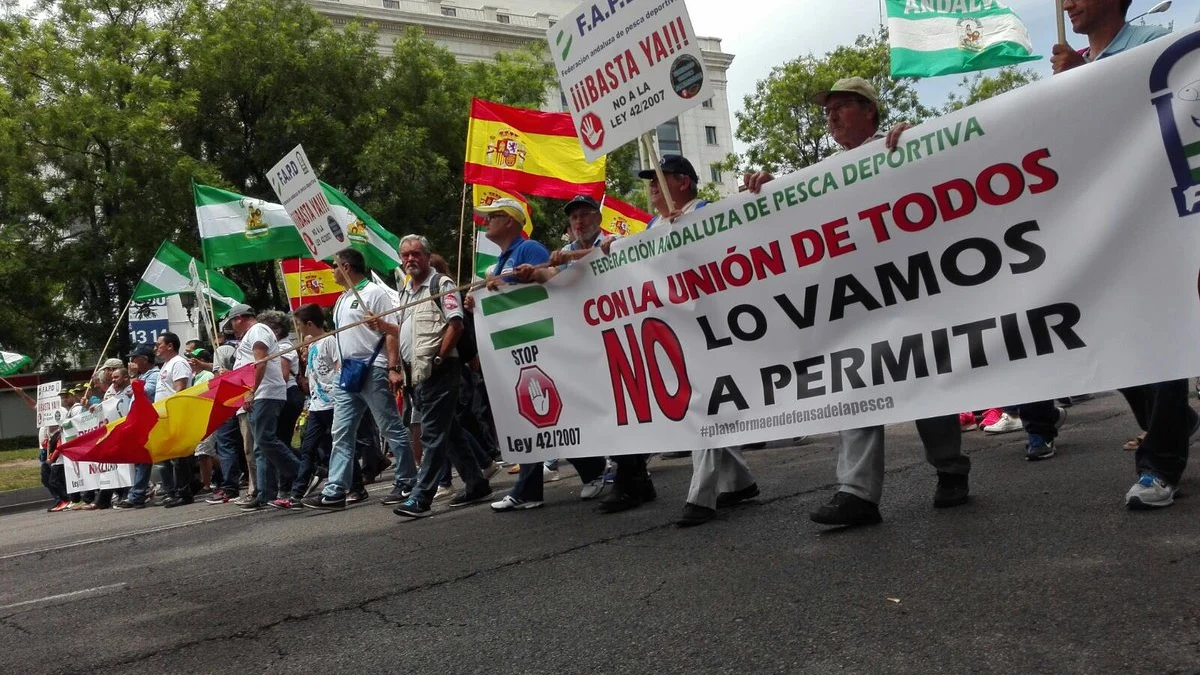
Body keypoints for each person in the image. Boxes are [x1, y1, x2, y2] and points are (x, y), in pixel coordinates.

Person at [745, 77, 970, 527]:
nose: (832, 115)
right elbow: (796, 219)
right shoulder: (825, 174)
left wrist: (914, 140)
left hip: (906, 291)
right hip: (855, 303)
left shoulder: (896, 148)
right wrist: (770, 189)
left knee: (924, 384)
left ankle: (950, 469)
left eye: (843, 105)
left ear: (870, 111)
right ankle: (858, 493)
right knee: (856, 387)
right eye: (829, 109)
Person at [1051, 0, 1197, 508]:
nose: (1068, 4)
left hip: (1158, 214)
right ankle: (1176, 422)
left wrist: (1089, 77)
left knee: (1161, 337)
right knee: (1114, 340)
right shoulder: (1067, 66)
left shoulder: (1154, 42)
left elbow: (1160, 105)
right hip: (1103, 226)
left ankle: (1160, 466)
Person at [490, 196, 609, 511]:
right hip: (529, 341)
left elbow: (558, 287)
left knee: (555, 411)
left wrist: (542, 271)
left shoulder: (528, 249)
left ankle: (605, 469)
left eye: (494, 215)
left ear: (511, 221)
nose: (486, 221)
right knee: (538, 412)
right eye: (574, 219)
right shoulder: (504, 258)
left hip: (558, 336)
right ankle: (536, 486)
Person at [381, 235, 493, 518]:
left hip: (439, 371)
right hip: (416, 375)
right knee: (449, 431)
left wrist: (440, 357)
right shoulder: (406, 292)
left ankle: (421, 497)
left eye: (416, 254)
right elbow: (405, 331)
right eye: (405, 255)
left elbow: (455, 325)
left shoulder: (441, 285)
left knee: (431, 433)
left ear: (428, 256)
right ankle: (476, 483)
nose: (410, 260)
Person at [302, 248, 417, 510]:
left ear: (346, 267)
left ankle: (407, 480)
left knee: (390, 428)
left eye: (334, 266)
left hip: (373, 369)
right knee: (340, 432)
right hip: (348, 374)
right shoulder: (342, 299)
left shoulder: (374, 294)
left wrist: (392, 367)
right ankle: (335, 491)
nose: (331, 271)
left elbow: (392, 331)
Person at [222, 304, 299, 511]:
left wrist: (250, 391)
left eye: (231, 322)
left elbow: (261, 362)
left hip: (265, 393)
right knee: (261, 446)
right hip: (261, 394)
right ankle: (266, 493)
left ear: (239, 318)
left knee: (265, 440)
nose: (231, 327)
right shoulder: (252, 334)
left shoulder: (257, 330)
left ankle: (302, 473)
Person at [115, 345, 160, 508]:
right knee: (142, 459)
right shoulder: (144, 375)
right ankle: (139, 492)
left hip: (150, 422)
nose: (132, 361)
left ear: (145, 359)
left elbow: (142, 393)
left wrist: (133, 377)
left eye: (135, 358)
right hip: (140, 422)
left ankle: (139, 493)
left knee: (152, 459)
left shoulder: (154, 375)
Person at [153, 332, 195, 507]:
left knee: (180, 457)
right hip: (165, 417)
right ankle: (180, 489)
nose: (156, 348)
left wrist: (174, 413)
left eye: (159, 344)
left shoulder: (178, 363)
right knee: (174, 457)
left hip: (176, 415)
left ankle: (184, 493)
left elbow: (180, 390)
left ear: (170, 346)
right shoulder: (166, 365)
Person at [189, 349, 219, 495]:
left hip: (206, 414)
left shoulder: (207, 375)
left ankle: (206, 484)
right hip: (196, 416)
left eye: (193, 359)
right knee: (206, 453)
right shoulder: (194, 376)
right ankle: (230, 470)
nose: (190, 362)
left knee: (204, 453)